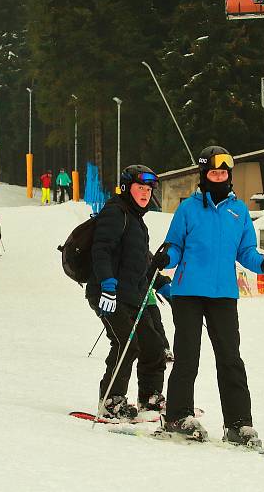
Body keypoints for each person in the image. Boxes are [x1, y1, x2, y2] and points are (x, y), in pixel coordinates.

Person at [153, 146, 264, 446]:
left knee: (230, 358)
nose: (219, 176)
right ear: (204, 175)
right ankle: (178, 416)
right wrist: (165, 257)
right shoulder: (188, 209)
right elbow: (174, 247)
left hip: (223, 294)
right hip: (187, 293)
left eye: (223, 172)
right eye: (213, 172)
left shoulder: (239, 213)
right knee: (188, 357)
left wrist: (263, 263)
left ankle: (238, 424)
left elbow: (245, 251)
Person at [86, 165, 170, 420]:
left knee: (154, 346)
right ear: (126, 188)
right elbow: (101, 250)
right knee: (126, 344)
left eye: (148, 189)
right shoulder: (115, 212)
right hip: (108, 294)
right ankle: (112, 401)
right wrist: (107, 284)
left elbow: (140, 261)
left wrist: (160, 282)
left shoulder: (137, 220)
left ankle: (150, 399)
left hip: (133, 295)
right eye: (140, 188)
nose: (145, 193)